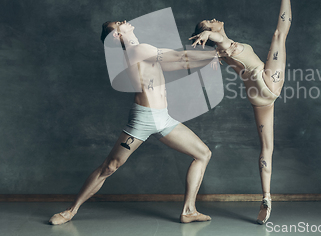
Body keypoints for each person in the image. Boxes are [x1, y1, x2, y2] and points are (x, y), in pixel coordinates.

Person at [49, 20, 218, 225]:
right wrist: (216, 53)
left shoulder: (142, 51)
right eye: (118, 24)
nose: (124, 22)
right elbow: (180, 57)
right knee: (110, 166)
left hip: (163, 118)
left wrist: (211, 56)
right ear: (115, 36)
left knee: (203, 154)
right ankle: (70, 211)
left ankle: (189, 211)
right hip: (144, 118)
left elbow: (182, 64)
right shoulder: (137, 50)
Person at [190, 0, 295, 224]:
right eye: (209, 23)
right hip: (267, 82)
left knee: (267, 148)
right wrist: (206, 33)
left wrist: (209, 37)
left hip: (258, 98)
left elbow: (219, 45)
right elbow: (220, 42)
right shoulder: (226, 46)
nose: (213, 20)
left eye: (211, 23)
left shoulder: (224, 50)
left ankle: (267, 197)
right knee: (278, 35)